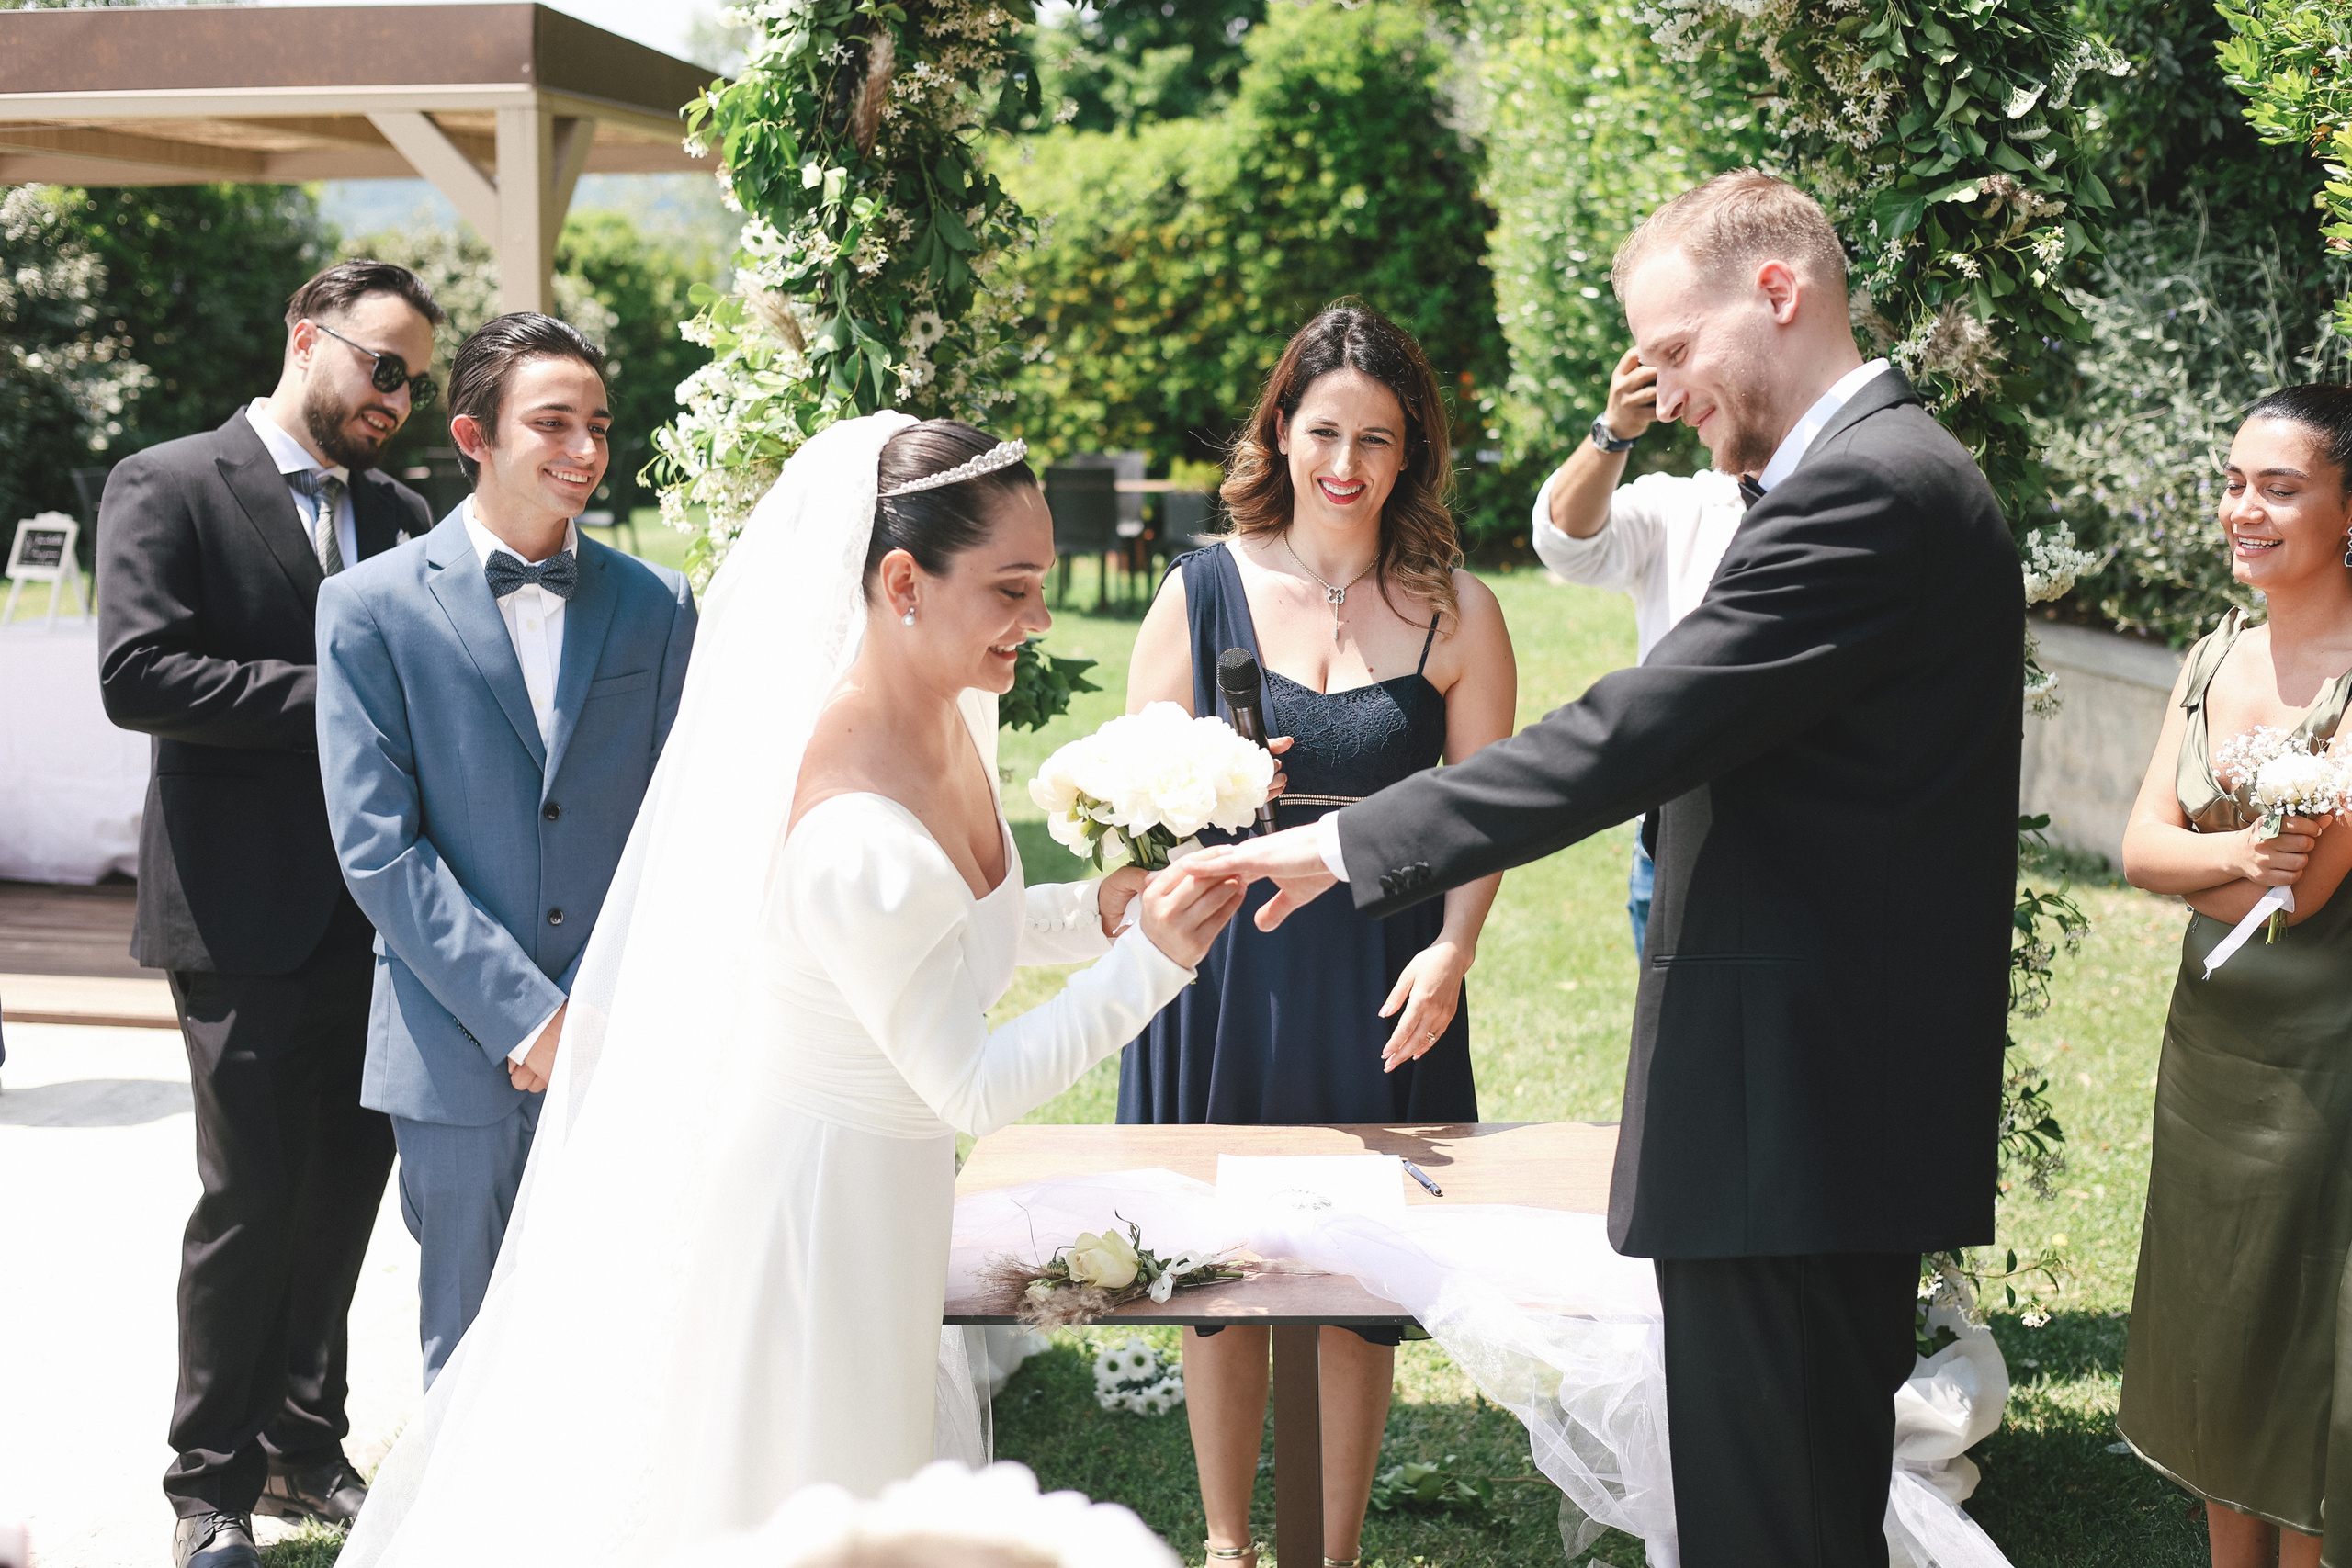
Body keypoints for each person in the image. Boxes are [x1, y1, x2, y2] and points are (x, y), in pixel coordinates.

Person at [1180, 169, 2023, 1568]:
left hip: (1795, 1125)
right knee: (1803, 1515)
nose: (1668, 390)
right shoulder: (1882, 473)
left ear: (1778, 292)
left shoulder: (1866, 491)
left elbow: (1633, 728)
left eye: (1679, 349)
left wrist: (1347, 839)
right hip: (1815, 1117)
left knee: (1768, 1524)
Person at [335, 413, 1247, 1568]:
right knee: (809, 1502)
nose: (1040, 619)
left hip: (888, 1190)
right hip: (816, 1215)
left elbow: (951, 939)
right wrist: (1151, 965)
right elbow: (968, 1083)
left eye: (1042, 584)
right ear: (903, 580)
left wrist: (1099, 913)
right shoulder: (851, 824)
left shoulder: (946, 717)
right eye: (1012, 589)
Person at [1117, 302, 1515, 1568]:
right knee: (1214, 1283)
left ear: (1412, 455)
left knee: (1360, 1289)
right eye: (1325, 430)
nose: (1346, 464)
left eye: (1378, 440)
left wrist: (1453, 949)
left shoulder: (1459, 611)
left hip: (1384, 972)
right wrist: (1209, 798)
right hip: (1227, 973)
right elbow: (1130, 806)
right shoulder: (1200, 590)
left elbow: (1487, 812)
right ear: (1282, 430)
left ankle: (1331, 1554)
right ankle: (1229, 1544)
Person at [96, 260, 444, 1568]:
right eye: (385, 367)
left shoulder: (404, 510)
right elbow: (139, 671)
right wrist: (340, 691)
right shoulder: (170, 480)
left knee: (347, 1192)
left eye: (414, 377)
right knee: (250, 1199)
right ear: (310, 340)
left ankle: (307, 1444)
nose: (400, 397)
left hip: (380, 912)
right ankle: (207, 1483)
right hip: (238, 911)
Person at [314, 313, 697, 1388]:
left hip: (623, 1037)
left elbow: (677, 824)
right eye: (553, 423)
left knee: (619, 1336)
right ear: (473, 434)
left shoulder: (658, 603)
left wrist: (595, 1004)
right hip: (453, 1049)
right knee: (470, 1352)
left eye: (599, 425)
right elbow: (378, 848)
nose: (583, 449)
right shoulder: (365, 610)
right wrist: (528, 1015)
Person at [2115, 385, 2352, 1568]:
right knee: (2208, 1333)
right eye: (2232, 482)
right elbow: (2135, 848)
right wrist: (2232, 856)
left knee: (2291, 1337)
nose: (2241, 510)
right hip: (2205, 1052)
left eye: (2279, 486)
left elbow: (2295, 899)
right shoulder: (2213, 653)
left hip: (2322, 1067)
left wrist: (2203, 866)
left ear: (2347, 507)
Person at [1532, 345, 1745, 954]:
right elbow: (1565, 544)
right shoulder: (1677, 507)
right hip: (1669, 834)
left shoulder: (1835, 496)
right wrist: (1612, 433)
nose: (1673, 404)